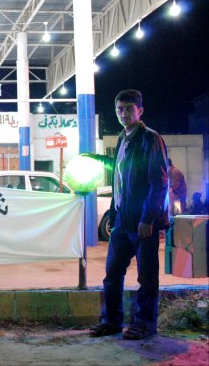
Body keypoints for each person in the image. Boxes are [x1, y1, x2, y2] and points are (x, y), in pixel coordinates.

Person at [90, 89, 169, 340]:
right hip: (122, 221)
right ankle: (111, 321)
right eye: (119, 109)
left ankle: (144, 324)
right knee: (112, 275)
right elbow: (120, 172)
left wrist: (148, 218)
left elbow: (159, 181)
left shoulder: (150, 139)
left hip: (143, 222)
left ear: (140, 111)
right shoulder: (122, 138)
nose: (123, 113)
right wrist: (95, 159)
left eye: (128, 109)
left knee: (146, 277)